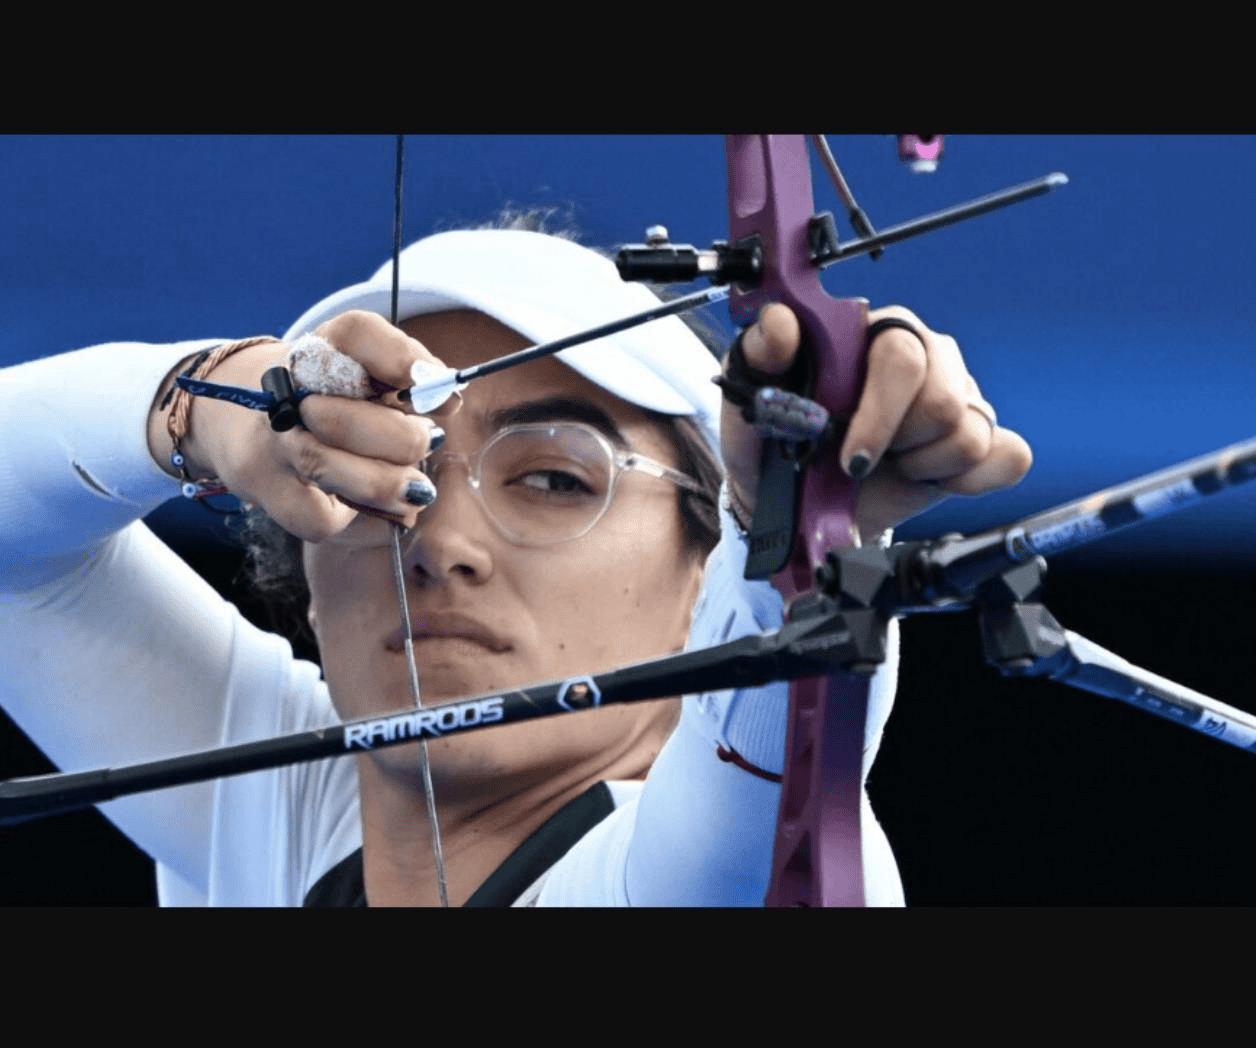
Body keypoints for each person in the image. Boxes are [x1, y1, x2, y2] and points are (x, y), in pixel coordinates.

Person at [0, 220, 1031, 906]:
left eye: (551, 480)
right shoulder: (280, 816)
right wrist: (203, 399)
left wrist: (807, 516)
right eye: (381, 473)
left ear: (702, 557)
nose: (440, 545)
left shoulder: (681, 873)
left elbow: (773, 758)